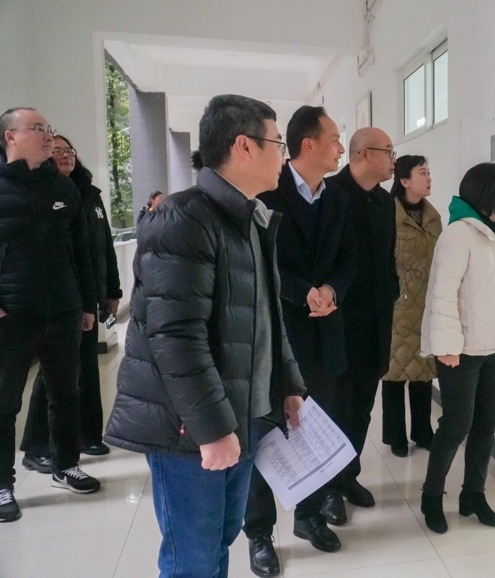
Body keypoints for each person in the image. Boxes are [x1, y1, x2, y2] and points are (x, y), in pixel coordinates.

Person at [104, 94, 306, 578]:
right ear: (244, 146)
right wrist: (212, 429)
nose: (284, 156)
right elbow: (175, 337)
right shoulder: (184, 219)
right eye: (278, 143)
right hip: (191, 427)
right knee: (191, 558)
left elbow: (265, 315)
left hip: (241, 412)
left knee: (220, 540)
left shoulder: (250, 218)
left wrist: (289, 383)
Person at [247, 105, 356, 574]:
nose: (340, 147)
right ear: (308, 144)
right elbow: (260, 264)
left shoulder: (338, 199)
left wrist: (332, 289)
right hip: (277, 333)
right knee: (265, 431)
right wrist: (301, 291)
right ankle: (259, 532)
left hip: (325, 330)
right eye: (334, 138)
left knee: (315, 426)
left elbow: (349, 258)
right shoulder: (267, 193)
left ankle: (308, 515)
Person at [0, 108, 99, 523]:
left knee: (66, 393)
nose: (47, 135)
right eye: (37, 128)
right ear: (10, 136)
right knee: (5, 401)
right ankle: (3, 485)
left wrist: (87, 304)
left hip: (62, 310)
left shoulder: (63, 187)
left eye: (48, 128)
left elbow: (81, 251)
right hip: (12, 313)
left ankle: (65, 464)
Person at [419, 162, 495, 534]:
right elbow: (442, 295)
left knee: (486, 426)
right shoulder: (458, 235)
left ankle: (473, 495)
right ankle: (432, 497)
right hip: (461, 352)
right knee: (455, 426)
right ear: (490, 192)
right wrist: (445, 346)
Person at [20, 135, 122, 474]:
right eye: (58, 151)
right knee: (53, 377)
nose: (65, 156)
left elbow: (104, 247)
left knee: (86, 371)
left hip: (87, 297)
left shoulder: (89, 195)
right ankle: (37, 446)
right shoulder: (43, 195)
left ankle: (87, 435)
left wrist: (112, 290)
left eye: (69, 151)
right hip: (60, 300)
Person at [324, 127, 399, 521]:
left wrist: (392, 291)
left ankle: (348, 475)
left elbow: (388, 258)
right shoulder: (330, 195)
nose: (393, 159)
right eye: (389, 151)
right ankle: (328, 489)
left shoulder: (385, 201)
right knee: (335, 410)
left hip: (376, 324)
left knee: (363, 409)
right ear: (364, 153)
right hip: (339, 326)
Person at [381, 155, 441, 458]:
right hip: (398, 305)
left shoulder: (433, 217)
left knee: (423, 371)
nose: (429, 178)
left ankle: (422, 431)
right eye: (422, 173)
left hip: (427, 305)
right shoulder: (387, 214)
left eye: (429, 172)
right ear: (404, 180)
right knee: (394, 373)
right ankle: (396, 436)